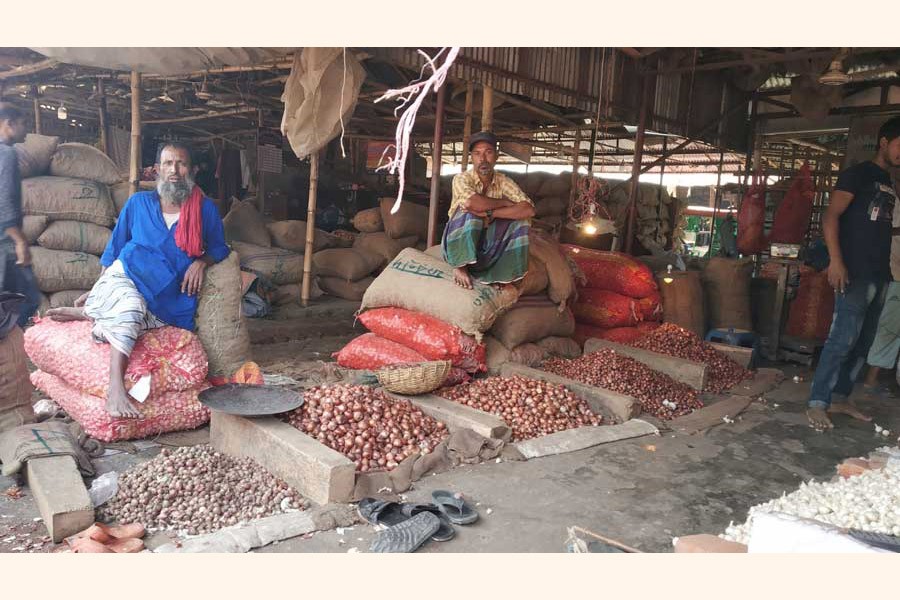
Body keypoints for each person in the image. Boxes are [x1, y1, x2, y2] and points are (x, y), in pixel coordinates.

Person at [46, 143, 230, 419]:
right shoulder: (138, 204)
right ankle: (116, 389)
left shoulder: (204, 209)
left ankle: (91, 313)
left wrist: (202, 262)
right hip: (128, 274)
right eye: (168, 164)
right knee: (130, 308)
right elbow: (114, 251)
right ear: (157, 170)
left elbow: (219, 247)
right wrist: (99, 288)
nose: (174, 170)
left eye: (180, 164)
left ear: (191, 171)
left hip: (168, 293)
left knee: (141, 321)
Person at [807, 116, 900, 431]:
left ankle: (841, 397)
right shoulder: (857, 174)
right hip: (854, 271)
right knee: (842, 338)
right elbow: (831, 216)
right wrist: (836, 261)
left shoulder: (890, 183)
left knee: (864, 342)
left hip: (880, 274)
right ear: (885, 142)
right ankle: (818, 402)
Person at [442, 131, 535, 289]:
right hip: (459, 238)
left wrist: (492, 213)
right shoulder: (462, 178)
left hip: (486, 240)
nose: (483, 159)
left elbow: (528, 210)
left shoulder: (503, 181)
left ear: (496, 156)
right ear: (472, 157)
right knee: (471, 212)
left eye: (488, 152)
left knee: (521, 221)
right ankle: (461, 265)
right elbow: (474, 203)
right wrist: (504, 203)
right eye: (477, 153)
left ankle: (499, 274)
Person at [0, 103, 41, 327]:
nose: (27, 129)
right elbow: (4, 199)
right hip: (6, 240)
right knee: (27, 300)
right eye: (24, 124)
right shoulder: (7, 154)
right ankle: (16, 347)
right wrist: (20, 241)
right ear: (9, 123)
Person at [861, 174, 900, 396]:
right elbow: (880, 231)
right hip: (896, 274)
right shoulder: (888, 200)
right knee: (889, 329)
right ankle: (870, 380)